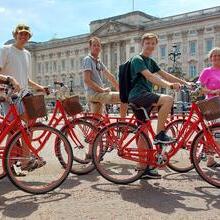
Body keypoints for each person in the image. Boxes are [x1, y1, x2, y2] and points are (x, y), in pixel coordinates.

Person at [129, 33, 191, 179]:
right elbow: (150, 77)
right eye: (147, 43)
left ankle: (143, 167)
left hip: (142, 96)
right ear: (142, 44)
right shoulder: (137, 59)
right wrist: (169, 86)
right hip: (139, 95)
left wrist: (185, 83)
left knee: (142, 131)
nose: (150, 46)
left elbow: (165, 74)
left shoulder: (150, 61)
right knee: (168, 99)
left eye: (152, 43)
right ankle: (159, 135)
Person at [0, 24, 46, 175]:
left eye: (26, 34)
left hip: (24, 94)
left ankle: (13, 162)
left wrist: (40, 87)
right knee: (19, 128)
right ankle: (25, 160)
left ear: (29, 36)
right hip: (10, 95)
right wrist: (10, 79)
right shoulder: (6, 49)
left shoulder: (27, 53)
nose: (23, 36)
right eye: (21, 34)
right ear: (15, 34)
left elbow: (26, 78)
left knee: (24, 127)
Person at [83, 36, 127, 117]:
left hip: (97, 94)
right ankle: (123, 125)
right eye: (94, 45)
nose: (97, 47)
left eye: (98, 45)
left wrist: (120, 89)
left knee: (97, 123)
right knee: (124, 98)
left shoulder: (98, 61)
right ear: (90, 47)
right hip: (94, 94)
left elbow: (110, 76)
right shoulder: (88, 59)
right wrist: (102, 90)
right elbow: (87, 80)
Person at [198, 47, 220, 168]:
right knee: (216, 131)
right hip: (212, 105)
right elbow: (199, 89)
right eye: (214, 56)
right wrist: (213, 91)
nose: (216, 58)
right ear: (210, 58)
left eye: (218, 56)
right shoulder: (207, 71)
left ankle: (211, 158)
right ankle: (211, 158)